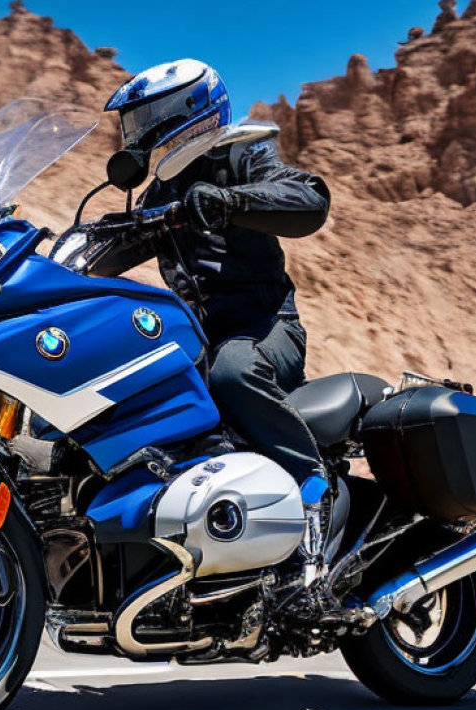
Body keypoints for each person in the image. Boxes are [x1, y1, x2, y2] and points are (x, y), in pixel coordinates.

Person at [98, 59, 332, 514]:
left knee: (232, 372)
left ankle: (311, 487)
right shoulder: (160, 194)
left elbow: (309, 199)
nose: (139, 134)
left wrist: (230, 201)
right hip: (197, 342)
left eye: (148, 120)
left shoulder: (243, 153)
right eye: (135, 123)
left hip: (264, 329)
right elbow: (112, 253)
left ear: (188, 111)